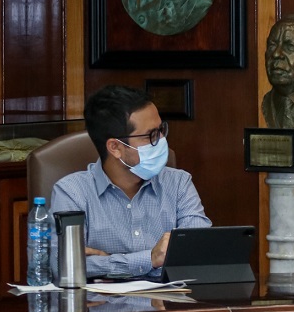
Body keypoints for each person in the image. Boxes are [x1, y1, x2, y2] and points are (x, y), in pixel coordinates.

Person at [49, 85, 211, 279]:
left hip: (168, 297)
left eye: (161, 130)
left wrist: (108, 262)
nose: (161, 140)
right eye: (151, 135)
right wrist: (150, 259)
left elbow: (199, 254)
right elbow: (63, 266)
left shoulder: (178, 183)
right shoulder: (72, 193)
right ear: (115, 147)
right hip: (98, 299)